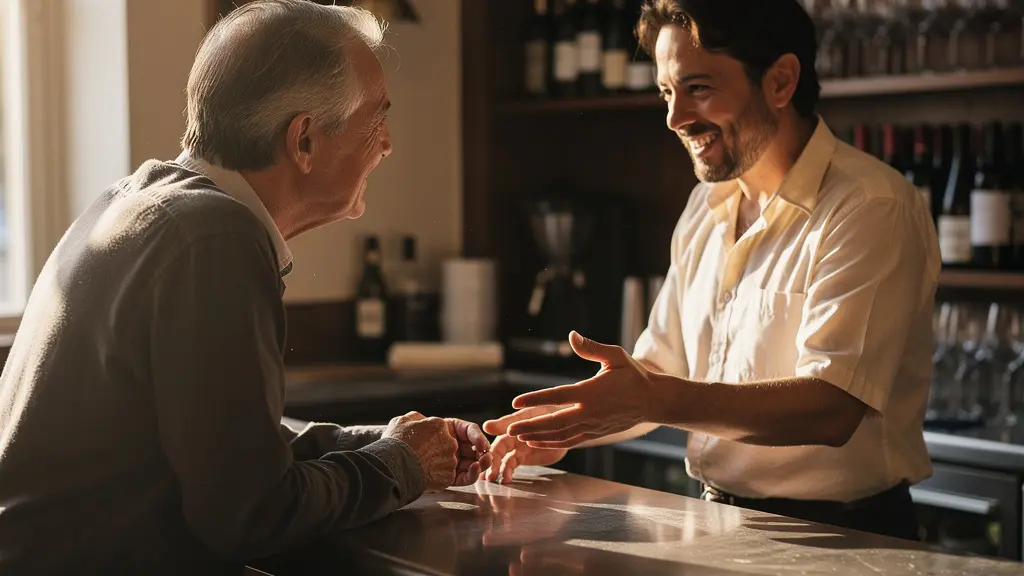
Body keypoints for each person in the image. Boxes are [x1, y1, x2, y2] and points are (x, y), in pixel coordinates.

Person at [0, 2, 490, 574]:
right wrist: (401, 464)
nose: (387, 145)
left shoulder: (136, 201)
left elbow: (223, 443)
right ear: (304, 141)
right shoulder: (213, 239)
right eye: (377, 119)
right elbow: (254, 514)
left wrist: (383, 441)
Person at [484, 0, 938, 542]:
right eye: (667, 93)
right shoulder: (705, 205)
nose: (675, 118)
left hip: (846, 535)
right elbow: (662, 365)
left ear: (780, 81)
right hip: (716, 523)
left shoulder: (870, 205)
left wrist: (651, 396)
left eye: (698, 89)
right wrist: (567, 427)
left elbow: (830, 407)